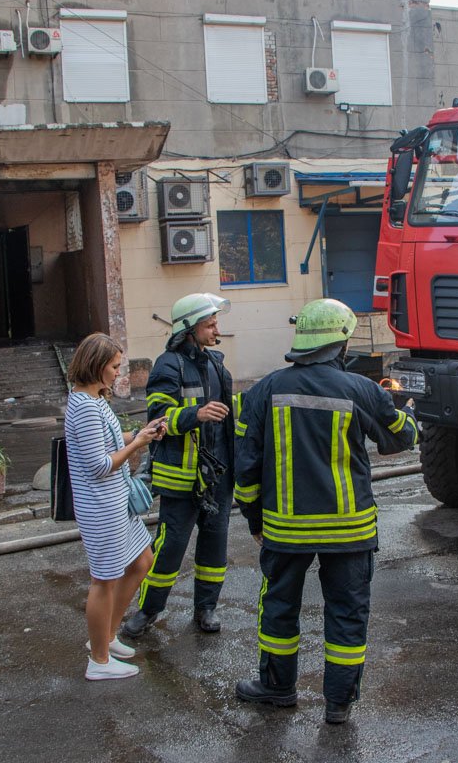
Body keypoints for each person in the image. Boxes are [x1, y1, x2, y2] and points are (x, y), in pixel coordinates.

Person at [231, 298, 418, 725]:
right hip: (349, 531)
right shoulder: (361, 389)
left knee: (279, 606)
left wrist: (254, 518)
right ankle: (338, 703)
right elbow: (400, 439)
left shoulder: (265, 390)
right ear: (340, 342)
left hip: (285, 529)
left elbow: (246, 466)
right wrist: (404, 409)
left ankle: (278, 688)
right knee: (347, 612)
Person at [121, 293, 238, 637]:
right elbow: (157, 419)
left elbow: (230, 421)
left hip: (217, 476)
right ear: (189, 328)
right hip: (181, 479)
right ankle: (148, 610)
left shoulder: (217, 364)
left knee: (215, 545)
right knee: (170, 546)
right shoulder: (167, 365)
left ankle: (206, 608)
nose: (217, 328)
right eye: (210, 323)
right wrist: (195, 414)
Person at [64, 332, 167, 680]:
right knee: (104, 580)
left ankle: (107, 638)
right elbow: (99, 465)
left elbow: (108, 443)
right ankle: (99, 660)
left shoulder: (95, 400)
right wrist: (137, 442)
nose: (118, 373)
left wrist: (143, 433)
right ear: (96, 366)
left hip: (116, 501)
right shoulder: (84, 406)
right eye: (114, 366)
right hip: (102, 505)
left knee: (142, 560)